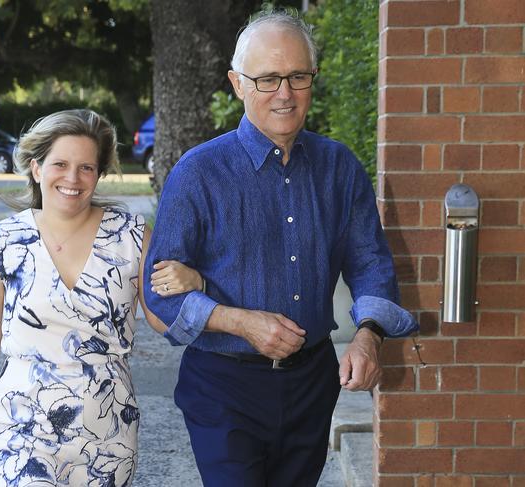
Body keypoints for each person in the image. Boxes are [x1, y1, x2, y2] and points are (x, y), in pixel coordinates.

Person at [144, 11, 418, 487]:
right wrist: (240, 322)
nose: (285, 93)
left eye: (297, 76)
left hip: (312, 384)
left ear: (313, 77)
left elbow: (371, 263)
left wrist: (369, 334)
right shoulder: (197, 173)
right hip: (223, 387)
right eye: (267, 78)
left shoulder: (340, 167)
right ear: (237, 83)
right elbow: (159, 296)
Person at [0, 109, 203, 486]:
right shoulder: (5, 242)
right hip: (20, 425)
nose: (72, 178)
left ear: (98, 174)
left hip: (107, 431)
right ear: (36, 168)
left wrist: (195, 281)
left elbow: (160, 318)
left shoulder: (132, 236)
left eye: (86, 167)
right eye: (60, 164)